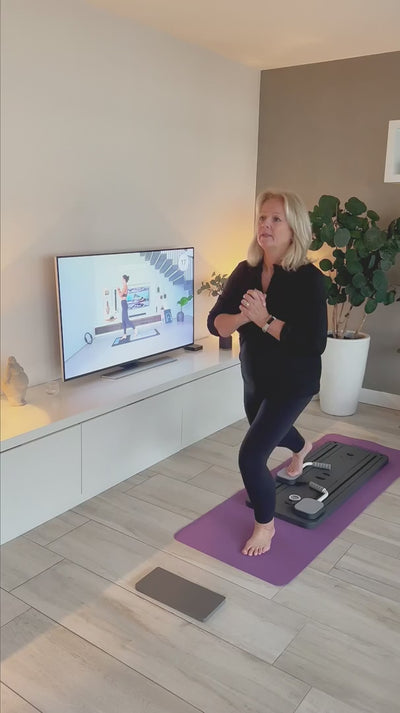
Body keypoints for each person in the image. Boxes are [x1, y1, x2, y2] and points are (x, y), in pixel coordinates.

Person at [207, 189, 327, 556]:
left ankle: (265, 526)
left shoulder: (309, 278)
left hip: (294, 382)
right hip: (255, 376)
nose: (266, 225)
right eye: (262, 218)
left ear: (294, 229)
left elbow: (313, 344)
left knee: (251, 456)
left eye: (276, 219)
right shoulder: (244, 271)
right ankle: (302, 447)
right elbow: (216, 324)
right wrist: (245, 317)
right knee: (271, 430)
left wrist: (265, 320)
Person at [117, 274, 137, 340]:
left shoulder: (125, 286)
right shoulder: (124, 286)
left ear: (124, 280)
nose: (121, 280)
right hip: (123, 303)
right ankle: (124, 335)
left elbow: (120, 295)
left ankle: (134, 328)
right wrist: (119, 291)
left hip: (124, 303)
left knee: (126, 320)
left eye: (122, 279)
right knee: (123, 320)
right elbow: (121, 295)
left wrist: (118, 290)